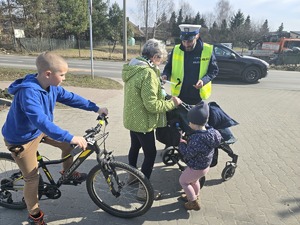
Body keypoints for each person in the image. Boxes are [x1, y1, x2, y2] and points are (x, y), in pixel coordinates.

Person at [1, 52, 108, 225]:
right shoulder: (29, 93)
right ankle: (34, 215)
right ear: (48, 74)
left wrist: (95, 108)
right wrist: (71, 136)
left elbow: (70, 98)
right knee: (32, 178)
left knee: (68, 146)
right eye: (62, 74)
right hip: (21, 139)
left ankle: (68, 173)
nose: (64, 78)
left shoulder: (50, 86)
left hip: (38, 131)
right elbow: (41, 120)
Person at [122, 39, 182, 199]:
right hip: (143, 122)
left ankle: (131, 176)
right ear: (155, 57)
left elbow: (143, 89)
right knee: (150, 154)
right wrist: (171, 103)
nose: (161, 63)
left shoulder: (134, 67)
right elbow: (152, 105)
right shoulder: (148, 73)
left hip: (132, 118)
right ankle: (144, 191)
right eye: (161, 59)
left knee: (135, 146)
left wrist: (157, 82)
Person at [162, 24, 219, 134]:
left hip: (197, 96)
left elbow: (214, 70)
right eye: (184, 41)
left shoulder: (207, 50)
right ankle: (176, 144)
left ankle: (193, 146)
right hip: (180, 94)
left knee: (194, 126)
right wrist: (165, 75)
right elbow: (168, 67)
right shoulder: (177, 49)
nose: (186, 44)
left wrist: (204, 80)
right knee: (178, 123)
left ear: (197, 36)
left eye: (189, 41)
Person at [178, 101, 222, 211]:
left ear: (195, 124)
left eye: (190, 122)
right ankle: (195, 196)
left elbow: (188, 153)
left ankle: (192, 201)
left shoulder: (197, 139)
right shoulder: (212, 133)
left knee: (183, 181)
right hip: (205, 166)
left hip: (196, 167)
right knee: (194, 181)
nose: (188, 124)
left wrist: (182, 143)